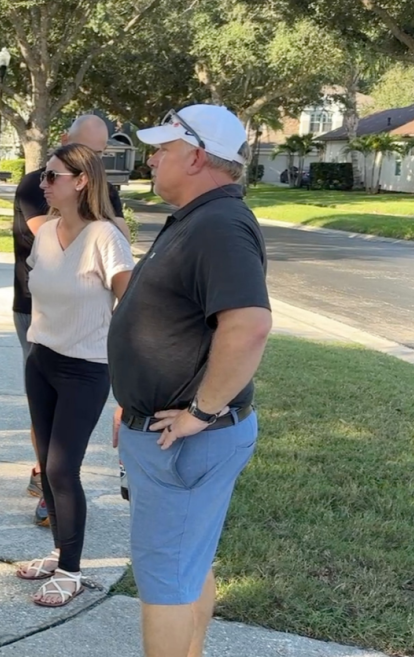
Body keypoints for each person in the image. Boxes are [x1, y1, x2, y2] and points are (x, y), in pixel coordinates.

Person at [108, 104, 272, 657]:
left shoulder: (219, 225)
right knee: (187, 565)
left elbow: (248, 325)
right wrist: (131, 401)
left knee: (165, 584)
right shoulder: (200, 218)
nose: (151, 159)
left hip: (183, 439)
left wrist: (199, 412)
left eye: (163, 149)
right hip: (163, 429)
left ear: (197, 156)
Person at [12, 144, 134, 607]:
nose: (42, 185)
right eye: (43, 176)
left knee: (64, 468)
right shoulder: (44, 235)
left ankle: (71, 570)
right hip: (40, 361)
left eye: (51, 176)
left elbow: (132, 309)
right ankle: (59, 551)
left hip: (86, 368)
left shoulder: (105, 237)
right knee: (46, 464)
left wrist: (128, 381)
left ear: (81, 181)